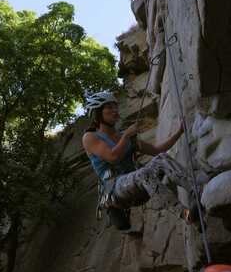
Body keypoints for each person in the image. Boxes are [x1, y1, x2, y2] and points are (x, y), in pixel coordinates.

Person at [82, 91, 200, 229]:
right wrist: (126, 136)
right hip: (116, 189)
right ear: (98, 113)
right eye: (108, 107)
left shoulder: (123, 137)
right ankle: (186, 214)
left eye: (115, 106)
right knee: (143, 173)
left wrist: (179, 132)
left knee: (161, 159)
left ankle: (196, 191)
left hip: (139, 184)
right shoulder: (90, 137)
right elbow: (112, 157)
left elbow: (157, 150)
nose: (114, 110)